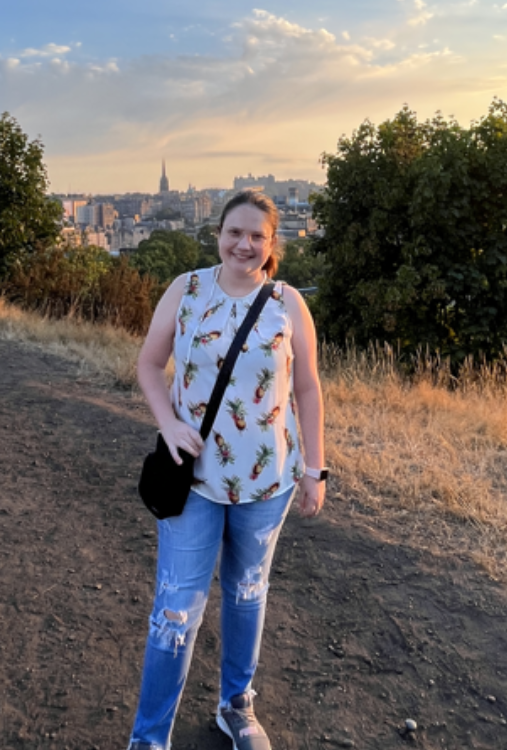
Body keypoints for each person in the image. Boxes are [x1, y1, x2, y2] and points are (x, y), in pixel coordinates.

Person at [128, 190, 327, 750]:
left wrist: (317, 468)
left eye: (256, 236)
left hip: (268, 482)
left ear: (272, 244)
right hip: (193, 479)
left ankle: (236, 707)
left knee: (246, 591)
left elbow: (308, 389)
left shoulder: (288, 304)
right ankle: (148, 740)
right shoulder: (186, 290)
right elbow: (148, 364)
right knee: (175, 610)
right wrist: (167, 424)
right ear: (218, 233)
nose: (244, 244)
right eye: (233, 232)